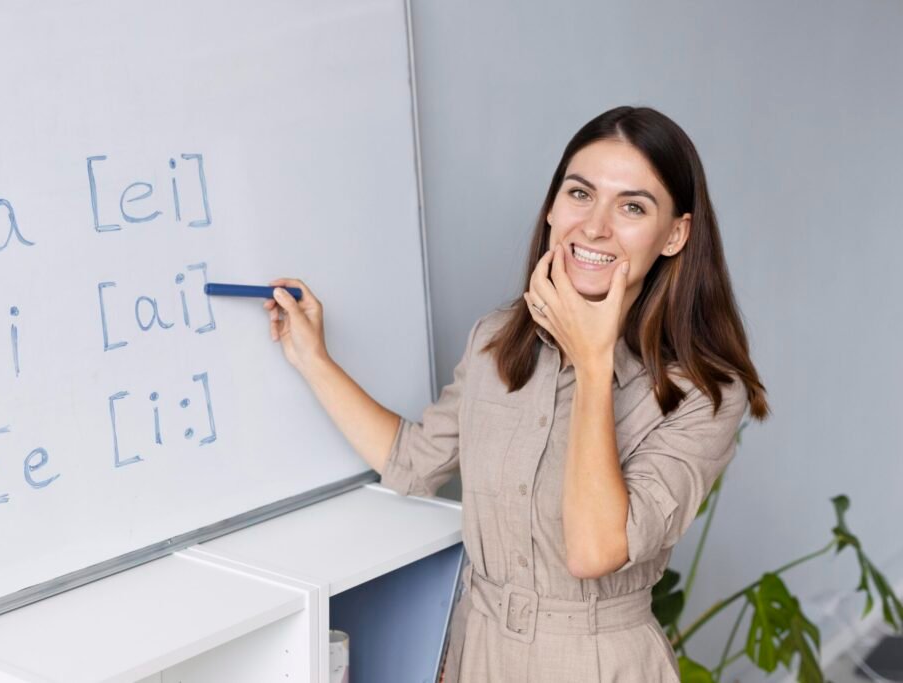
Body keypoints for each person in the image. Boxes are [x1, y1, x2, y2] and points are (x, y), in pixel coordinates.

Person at [262, 105, 770, 682]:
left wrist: (592, 356)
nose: (596, 226)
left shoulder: (705, 396)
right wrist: (312, 357)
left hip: (600, 663)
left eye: (632, 206)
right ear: (552, 206)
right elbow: (412, 462)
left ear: (675, 234)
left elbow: (594, 551)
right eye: (580, 194)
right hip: (477, 649)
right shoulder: (495, 342)